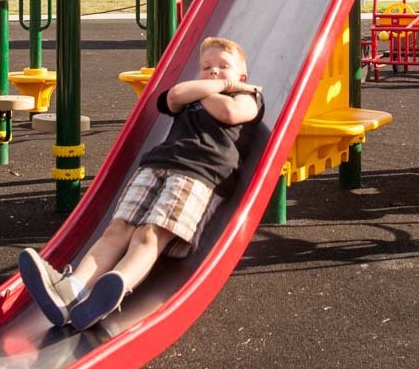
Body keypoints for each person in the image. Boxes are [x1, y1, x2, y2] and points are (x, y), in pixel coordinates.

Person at [19, 36, 263, 331]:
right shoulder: (194, 95)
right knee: (117, 229)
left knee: (149, 234)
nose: (213, 71)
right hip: (156, 165)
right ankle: (72, 289)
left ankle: (113, 288)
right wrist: (221, 85)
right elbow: (173, 95)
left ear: (244, 77)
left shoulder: (248, 98)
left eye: (224, 67)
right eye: (206, 67)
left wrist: (214, 91)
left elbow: (230, 113)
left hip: (201, 173)